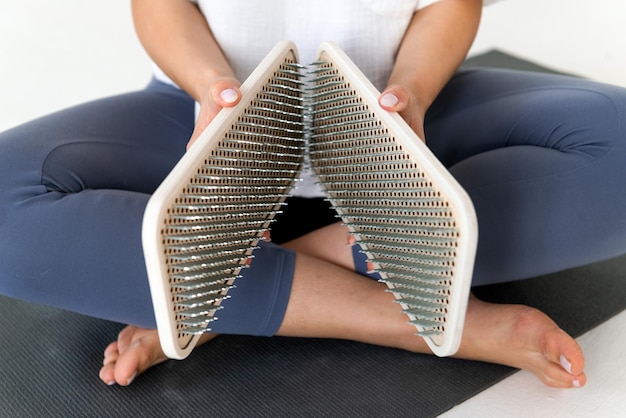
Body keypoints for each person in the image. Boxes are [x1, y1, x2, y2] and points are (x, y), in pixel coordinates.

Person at [2, 0, 625, 390]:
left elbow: (449, 3)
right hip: (207, 117)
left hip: (389, 116)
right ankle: (420, 321)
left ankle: (220, 283)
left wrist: (411, 95)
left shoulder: (403, 105)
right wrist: (212, 89)